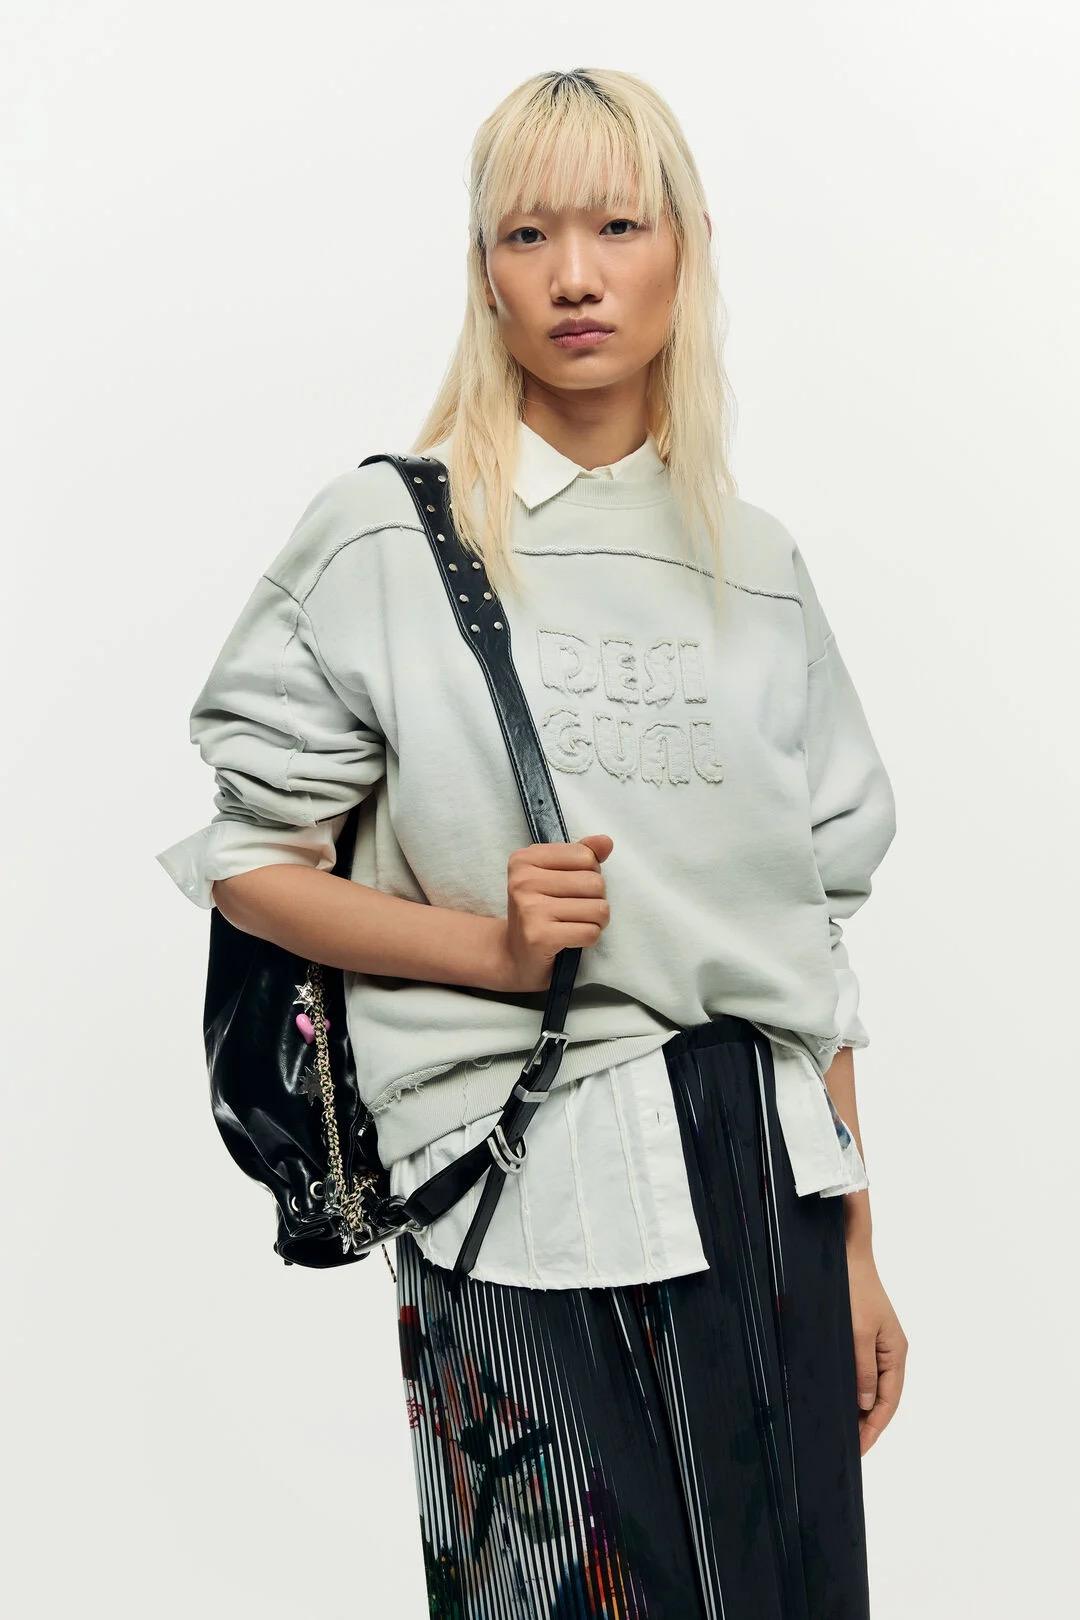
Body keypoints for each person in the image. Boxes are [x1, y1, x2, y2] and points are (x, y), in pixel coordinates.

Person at [156, 66, 908, 1620]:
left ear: (686, 249)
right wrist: (489, 951)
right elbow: (252, 861)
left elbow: (812, 937)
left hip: (769, 1181)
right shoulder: (391, 535)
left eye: (618, 227)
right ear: (484, 270)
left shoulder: (757, 565)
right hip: (523, 1179)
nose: (575, 275)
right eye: (527, 234)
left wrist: (857, 1247)